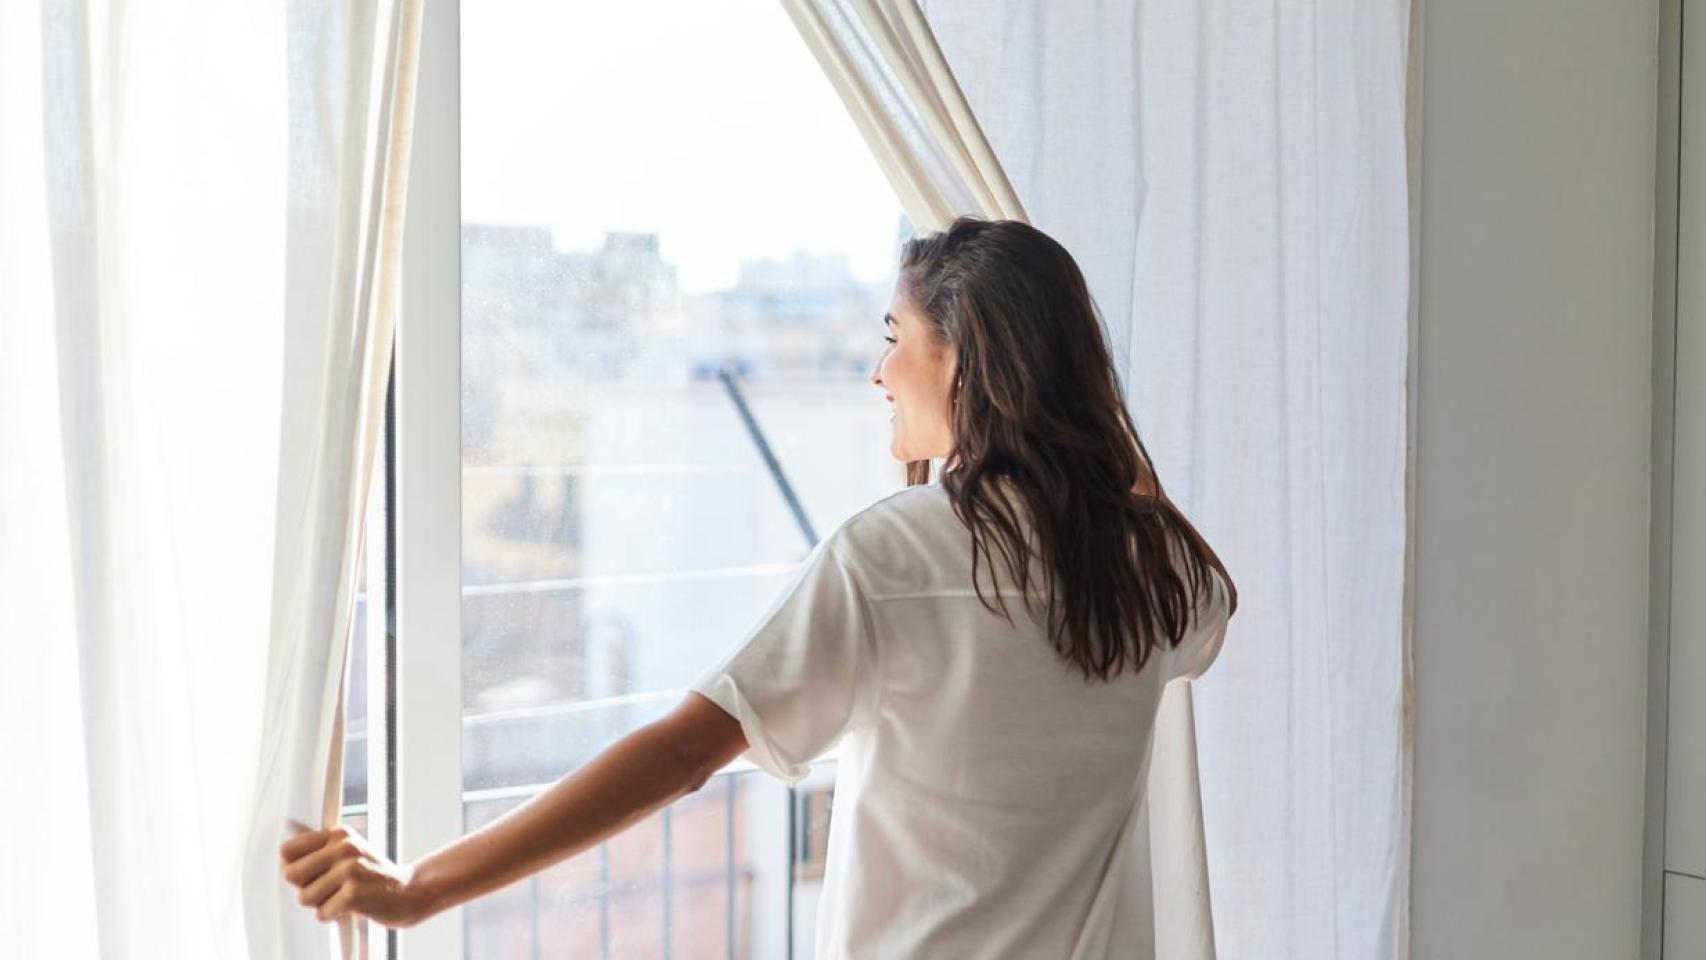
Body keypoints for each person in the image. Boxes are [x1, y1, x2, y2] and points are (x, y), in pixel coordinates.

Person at [281, 216, 1239, 957]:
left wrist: (424, 886)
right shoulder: (1155, 566)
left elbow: (683, 753)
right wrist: (1088, 428)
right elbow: (1206, 607)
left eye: (896, 335)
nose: (878, 372)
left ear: (963, 361)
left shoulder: (897, 555)